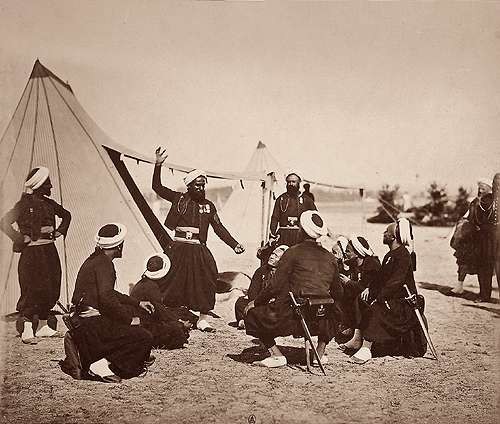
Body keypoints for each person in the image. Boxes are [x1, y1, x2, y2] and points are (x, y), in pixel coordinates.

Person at [152, 147, 245, 332]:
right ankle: (168, 315)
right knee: (170, 280)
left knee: (208, 277)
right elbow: (157, 187)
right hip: (177, 246)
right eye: (197, 185)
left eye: (203, 185)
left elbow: (218, 227)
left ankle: (202, 318)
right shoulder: (178, 198)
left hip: (198, 248)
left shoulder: (208, 206)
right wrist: (158, 165)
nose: (201, 188)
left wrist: (234, 244)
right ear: (189, 186)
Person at [244, 211, 344, 368]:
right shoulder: (330, 257)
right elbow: (338, 292)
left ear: (301, 230)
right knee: (335, 309)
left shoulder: (293, 252)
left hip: (294, 316)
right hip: (321, 317)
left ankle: (277, 356)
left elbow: (275, 286)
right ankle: (319, 353)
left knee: (252, 313)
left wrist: (255, 302)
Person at [69, 223, 155, 383]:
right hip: (91, 323)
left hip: (85, 319)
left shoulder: (95, 259)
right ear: (119, 246)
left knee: (132, 316)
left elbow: (109, 293)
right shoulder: (104, 264)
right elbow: (107, 299)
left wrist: (136, 303)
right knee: (145, 337)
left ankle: (100, 354)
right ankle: (100, 364)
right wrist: (129, 320)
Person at [0, 166, 71, 344]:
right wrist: (19, 237)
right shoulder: (24, 204)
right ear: (39, 185)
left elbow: (67, 215)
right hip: (32, 254)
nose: (51, 187)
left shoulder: (49, 204)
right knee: (32, 287)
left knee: (51, 285)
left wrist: (60, 231)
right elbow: (4, 222)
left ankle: (43, 326)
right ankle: (27, 329)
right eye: (47, 183)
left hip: (49, 252)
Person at [350, 218, 425, 364]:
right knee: (361, 298)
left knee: (376, 309)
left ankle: (366, 349)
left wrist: (379, 298)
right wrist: (369, 289)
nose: (383, 233)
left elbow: (395, 283)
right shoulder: (390, 255)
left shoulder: (403, 255)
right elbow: (379, 279)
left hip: (404, 303)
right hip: (391, 298)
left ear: (392, 237)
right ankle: (357, 338)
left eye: (386, 232)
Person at [129, 252, 196, 349]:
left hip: (141, 319)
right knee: (175, 330)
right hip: (145, 324)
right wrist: (180, 323)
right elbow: (161, 312)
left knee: (182, 312)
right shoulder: (152, 287)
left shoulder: (143, 283)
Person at [337, 235, 381, 350]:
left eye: (348, 251)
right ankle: (348, 327)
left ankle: (357, 337)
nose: (345, 253)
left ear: (357, 253)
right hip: (363, 293)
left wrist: (348, 282)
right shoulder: (354, 263)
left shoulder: (372, 264)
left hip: (376, 296)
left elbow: (366, 285)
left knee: (357, 297)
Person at [234, 245, 288, 329]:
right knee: (240, 302)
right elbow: (252, 292)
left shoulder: (286, 274)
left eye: (276, 256)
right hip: (260, 303)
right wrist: (258, 301)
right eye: (272, 254)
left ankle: (250, 321)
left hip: (275, 306)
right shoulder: (261, 271)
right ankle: (246, 321)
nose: (272, 257)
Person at [467, 178, 496, 302]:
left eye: (483, 188)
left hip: (490, 239)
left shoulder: (492, 202)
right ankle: (484, 294)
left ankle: (485, 294)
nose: (479, 190)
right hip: (479, 240)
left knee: (487, 266)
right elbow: (470, 218)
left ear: (489, 189)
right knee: (481, 267)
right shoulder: (475, 202)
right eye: (479, 188)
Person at [269, 173, 317, 247]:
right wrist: (272, 236)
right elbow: (275, 218)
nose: (291, 184)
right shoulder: (281, 199)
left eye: (293, 182)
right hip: (284, 236)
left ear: (299, 183)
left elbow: (315, 217)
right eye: (289, 182)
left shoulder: (306, 199)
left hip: (301, 236)